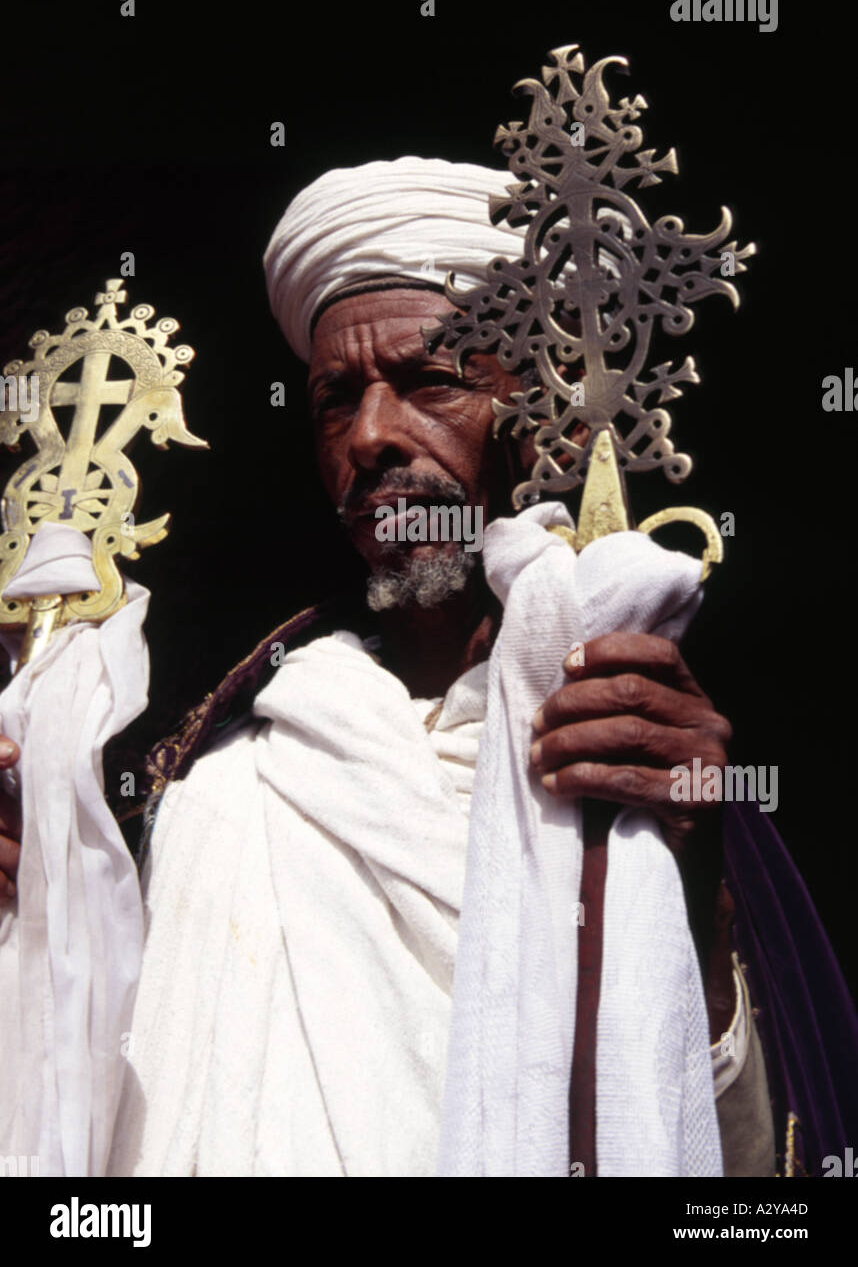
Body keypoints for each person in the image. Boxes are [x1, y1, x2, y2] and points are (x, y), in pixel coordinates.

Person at [1, 159, 854, 1177]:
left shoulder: (635, 737)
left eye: (432, 382)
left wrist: (691, 883)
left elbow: (745, 1173)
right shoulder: (219, 767)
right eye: (335, 399)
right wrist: (37, 905)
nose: (370, 437)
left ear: (543, 416)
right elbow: (73, 1093)